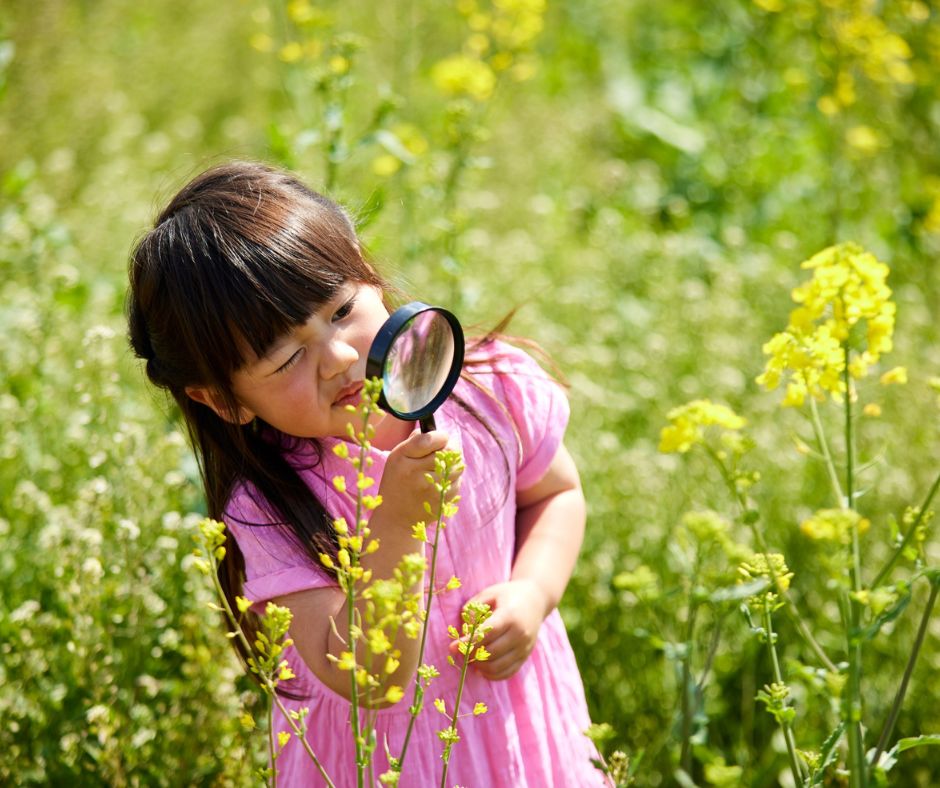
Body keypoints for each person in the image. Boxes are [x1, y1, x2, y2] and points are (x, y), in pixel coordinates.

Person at [127, 161, 606, 786]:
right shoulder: (267, 505)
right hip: (383, 763)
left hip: (520, 728)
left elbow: (555, 494)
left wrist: (534, 593)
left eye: (342, 310)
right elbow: (369, 679)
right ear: (223, 400)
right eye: (287, 357)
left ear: (367, 270)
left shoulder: (490, 392)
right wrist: (396, 522)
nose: (340, 356)